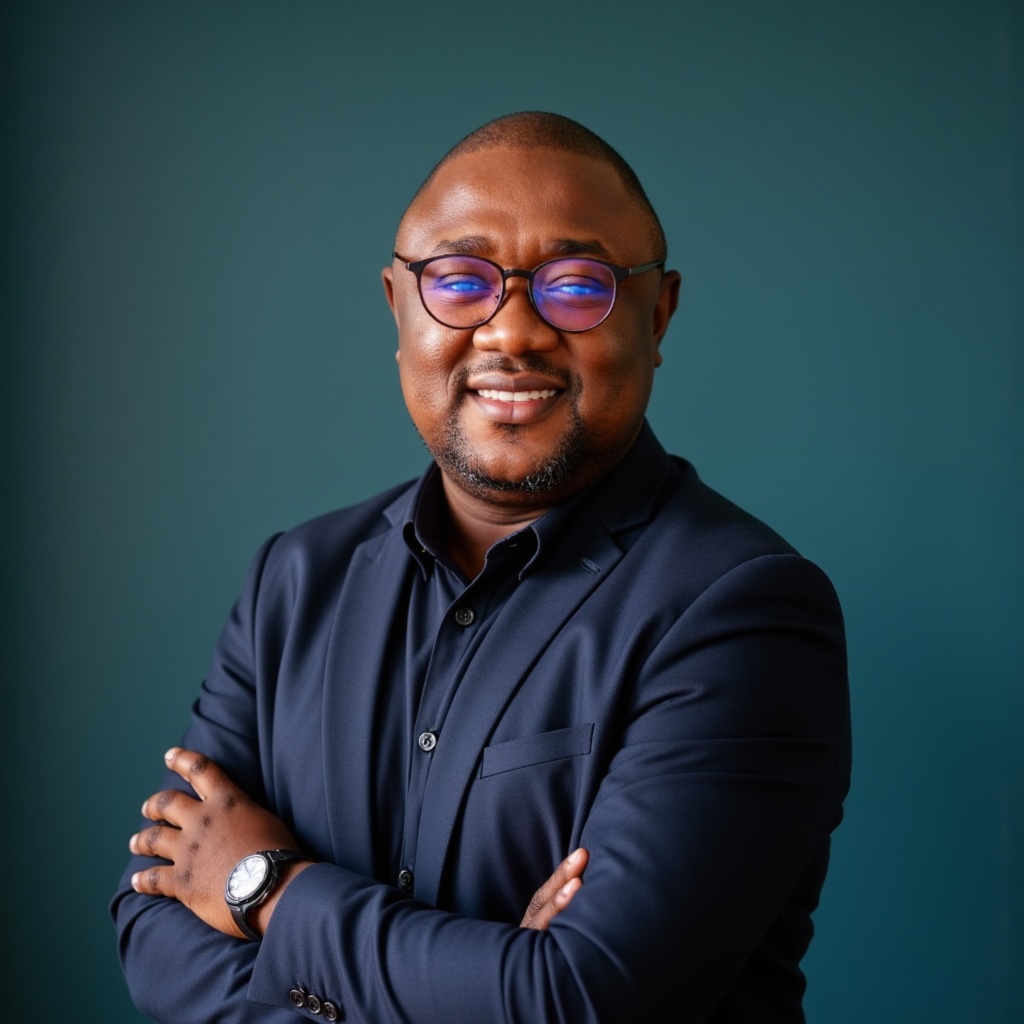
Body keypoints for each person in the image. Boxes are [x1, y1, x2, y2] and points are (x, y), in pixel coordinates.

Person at [112, 111, 851, 1023]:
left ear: (657, 316)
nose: (513, 332)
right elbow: (152, 925)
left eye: (576, 287)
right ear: (398, 307)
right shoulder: (294, 581)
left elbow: (578, 1000)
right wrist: (491, 982)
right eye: (461, 281)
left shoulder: (743, 610)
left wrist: (263, 888)